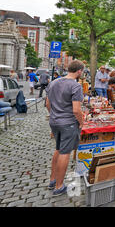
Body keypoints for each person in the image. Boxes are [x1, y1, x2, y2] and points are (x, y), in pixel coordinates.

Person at [45, 60, 85, 196]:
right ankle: (59, 186)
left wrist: (53, 115)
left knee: (58, 149)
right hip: (68, 122)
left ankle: (53, 180)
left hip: (55, 121)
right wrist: (81, 121)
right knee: (64, 152)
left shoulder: (54, 82)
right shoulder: (76, 86)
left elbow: (47, 103)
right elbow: (76, 110)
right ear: (79, 71)